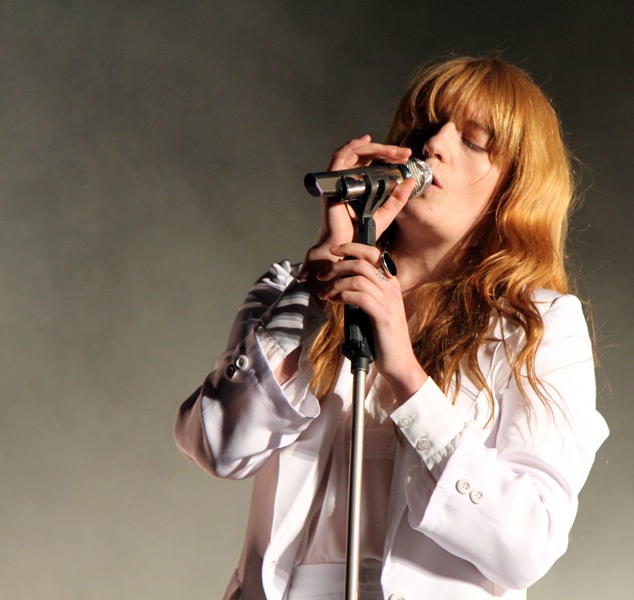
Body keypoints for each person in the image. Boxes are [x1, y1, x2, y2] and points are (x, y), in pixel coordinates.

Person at [175, 55, 609, 600]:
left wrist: (407, 375)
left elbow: (526, 545)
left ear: (513, 187)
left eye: (473, 141)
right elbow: (217, 446)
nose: (435, 145)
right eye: (424, 127)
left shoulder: (537, 326)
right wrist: (315, 288)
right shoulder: (293, 290)